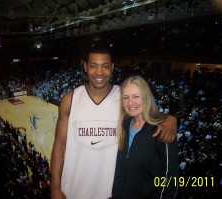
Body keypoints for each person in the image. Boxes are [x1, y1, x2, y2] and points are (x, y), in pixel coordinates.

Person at [50, 43, 177, 199]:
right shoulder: (69, 100)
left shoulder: (122, 97)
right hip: (72, 191)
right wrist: (55, 187)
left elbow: (146, 111)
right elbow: (59, 145)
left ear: (112, 67)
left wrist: (170, 118)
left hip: (110, 194)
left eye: (105, 66)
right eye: (93, 66)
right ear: (85, 67)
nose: (99, 72)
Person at [112, 75, 178, 199]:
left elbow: (171, 181)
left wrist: (171, 118)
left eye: (136, 96)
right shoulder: (123, 125)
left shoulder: (162, 130)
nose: (130, 102)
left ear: (146, 97)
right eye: (125, 97)